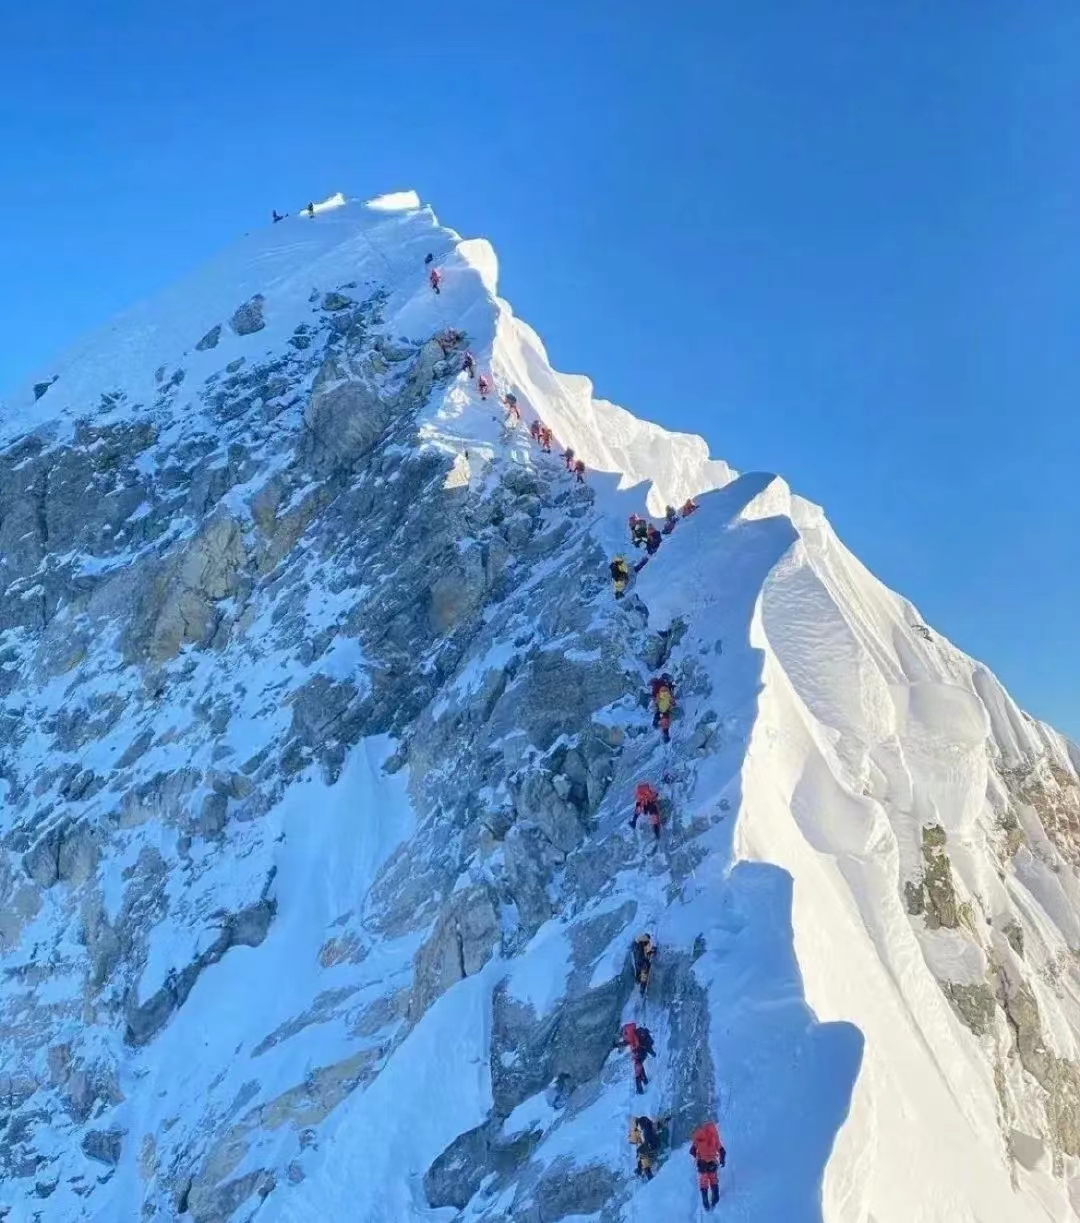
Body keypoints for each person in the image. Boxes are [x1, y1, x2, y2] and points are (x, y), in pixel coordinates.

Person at [689, 1120, 725, 1211]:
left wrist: (698, 1156)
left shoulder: (698, 1135)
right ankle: (715, 1200)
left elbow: (692, 1151)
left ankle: (705, 1204)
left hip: (702, 1163)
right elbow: (721, 1150)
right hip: (712, 1162)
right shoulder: (714, 1135)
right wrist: (722, 1160)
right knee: (713, 1180)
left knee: (703, 1182)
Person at [616, 1021, 654, 1094]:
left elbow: (626, 1042)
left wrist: (618, 1044)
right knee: (640, 1067)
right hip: (642, 1052)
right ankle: (645, 1080)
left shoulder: (630, 1034)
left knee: (637, 1072)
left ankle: (640, 1090)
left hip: (638, 1052)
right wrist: (652, 1053)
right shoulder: (635, 1032)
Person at [628, 1115, 661, 1180]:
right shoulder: (645, 1124)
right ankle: (643, 1170)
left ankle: (645, 1171)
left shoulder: (641, 1127)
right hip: (653, 1143)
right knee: (641, 1152)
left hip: (652, 1144)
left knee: (641, 1151)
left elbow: (634, 1140)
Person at [650, 676, 676, 742]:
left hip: (662, 706)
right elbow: (671, 696)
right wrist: (673, 703)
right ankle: (665, 734)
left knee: (660, 714)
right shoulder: (665, 686)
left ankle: (656, 724)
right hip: (666, 706)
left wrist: (655, 703)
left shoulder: (657, 687)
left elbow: (656, 697)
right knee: (664, 717)